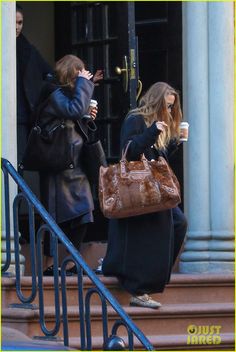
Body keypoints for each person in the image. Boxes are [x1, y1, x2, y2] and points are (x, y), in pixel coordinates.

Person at [102, 82, 188, 308]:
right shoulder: (136, 119)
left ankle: (153, 277)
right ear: (156, 102)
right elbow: (130, 151)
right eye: (167, 106)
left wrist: (175, 143)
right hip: (137, 189)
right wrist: (153, 133)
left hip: (152, 190)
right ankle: (141, 289)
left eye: (171, 107)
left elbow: (155, 157)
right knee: (172, 224)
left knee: (178, 223)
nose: (169, 111)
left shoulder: (155, 125)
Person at [36, 55, 98, 276]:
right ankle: (48, 263)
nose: (81, 77)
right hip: (56, 162)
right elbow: (71, 111)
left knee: (85, 210)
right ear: (71, 73)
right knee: (53, 215)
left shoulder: (67, 95)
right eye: (79, 73)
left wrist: (87, 116)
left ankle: (73, 260)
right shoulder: (53, 93)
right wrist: (84, 85)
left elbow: (75, 115)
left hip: (74, 162)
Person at [16, 4, 53, 166]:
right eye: (14, 22)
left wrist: (81, 83)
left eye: (20, 23)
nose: (17, 27)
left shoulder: (27, 50)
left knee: (18, 163)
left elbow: (49, 74)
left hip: (22, 117)